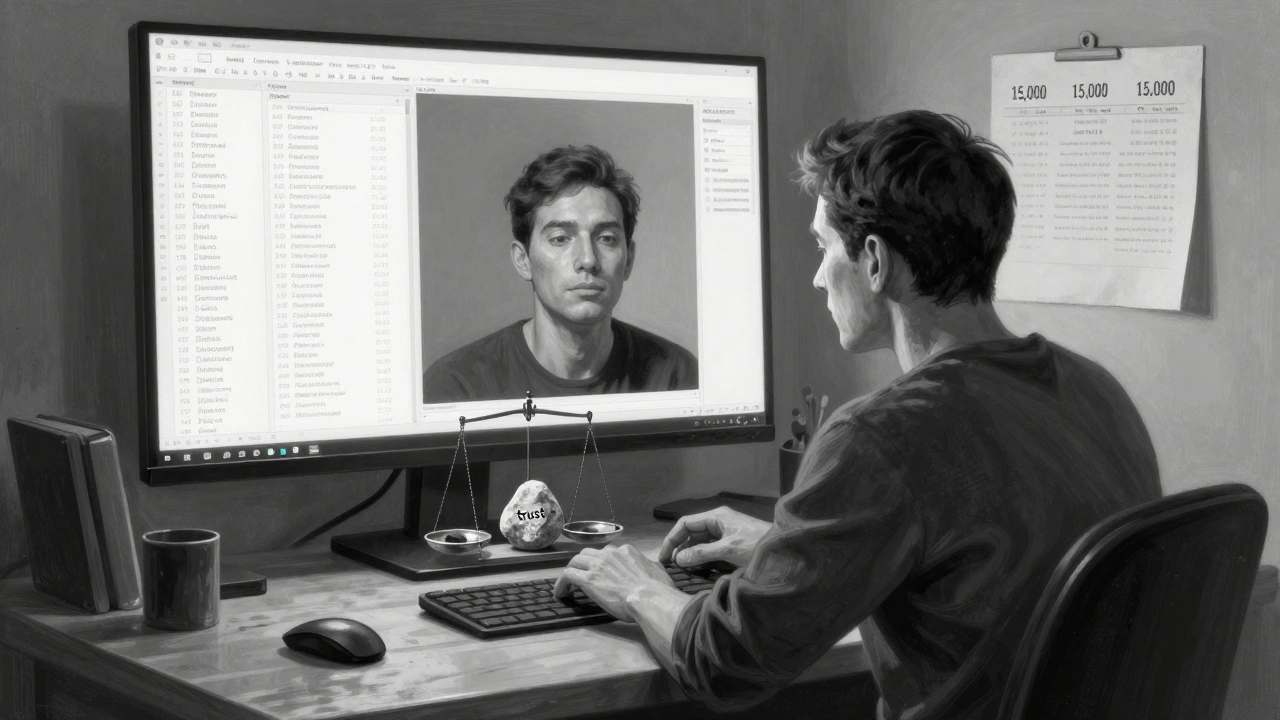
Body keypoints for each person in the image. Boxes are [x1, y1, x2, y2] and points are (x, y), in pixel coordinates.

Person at [551, 111, 1162, 719]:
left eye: (823, 247)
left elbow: (727, 661)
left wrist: (637, 587)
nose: (819, 278)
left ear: (874, 260)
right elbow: (979, 565)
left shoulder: (881, 436)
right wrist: (785, 550)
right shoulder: (1094, 390)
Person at [422, 144, 698, 402]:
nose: (588, 260)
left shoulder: (675, 376)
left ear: (629, 260)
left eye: (607, 239)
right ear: (523, 260)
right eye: (560, 238)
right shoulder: (459, 386)